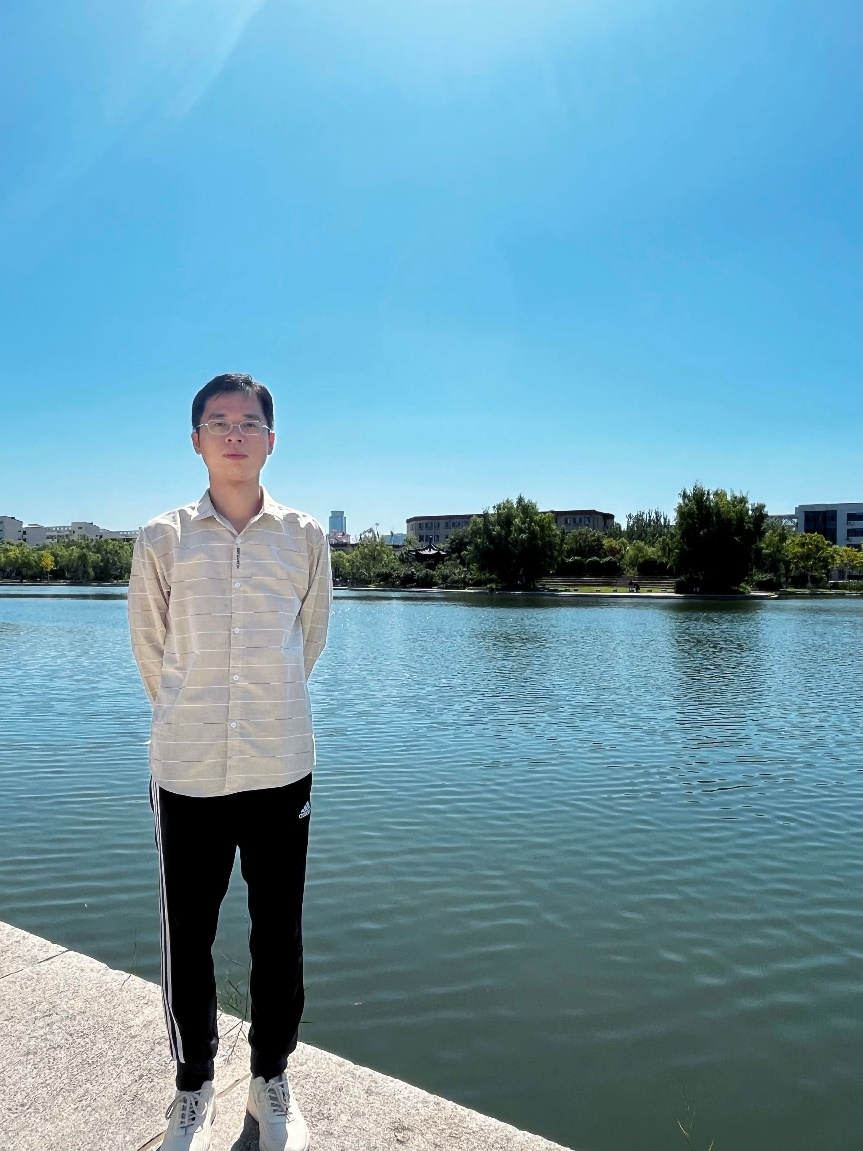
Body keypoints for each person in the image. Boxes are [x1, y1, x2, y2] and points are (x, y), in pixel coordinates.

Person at [128, 373, 332, 1151]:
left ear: (271, 440)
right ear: (197, 441)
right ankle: (193, 1084)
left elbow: (307, 642)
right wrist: (196, 709)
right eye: (219, 422)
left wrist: (260, 703)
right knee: (188, 936)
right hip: (187, 769)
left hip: (279, 763)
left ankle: (269, 1077)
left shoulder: (304, 536)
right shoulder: (162, 538)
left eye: (248, 422)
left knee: (278, 932)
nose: (234, 433)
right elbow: (152, 651)